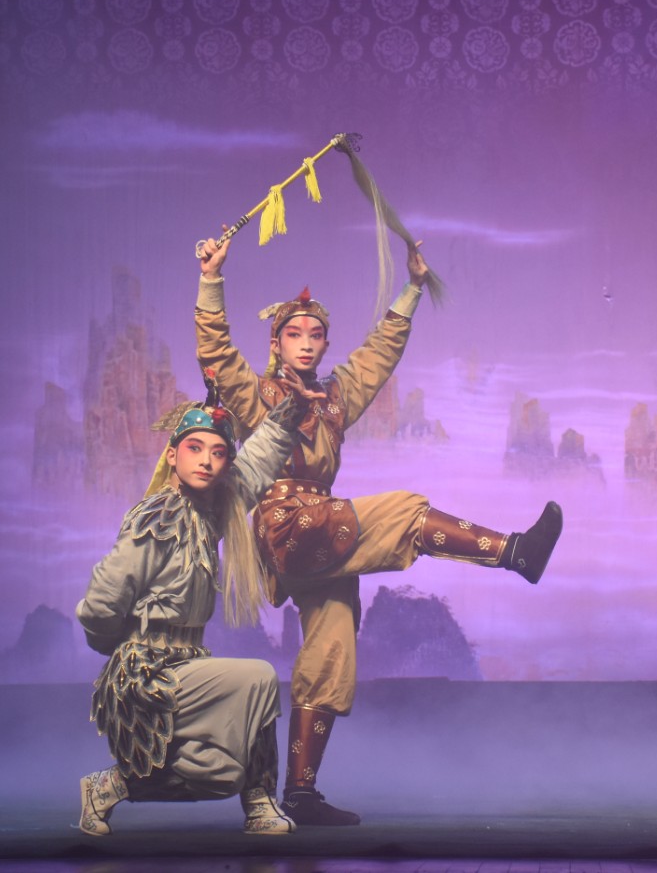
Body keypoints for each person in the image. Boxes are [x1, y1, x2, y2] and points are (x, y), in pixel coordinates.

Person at [194, 234, 562, 826]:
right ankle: (514, 552)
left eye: (316, 335)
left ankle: (300, 794)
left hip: (323, 534)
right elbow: (215, 352)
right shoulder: (258, 395)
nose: (306, 343)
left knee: (332, 648)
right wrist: (212, 278)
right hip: (289, 522)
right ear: (276, 342)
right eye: (294, 334)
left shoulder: (334, 398)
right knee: (406, 513)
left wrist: (413, 288)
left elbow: (377, 355)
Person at [75, 371, 323, 836]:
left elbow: (258, 461)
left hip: (186, 662)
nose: (207, 461)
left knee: (220, 776)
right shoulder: (159, 517)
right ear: (172, 454)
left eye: (218, 452)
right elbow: (100, 604)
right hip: (147, 670)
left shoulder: (211, 511)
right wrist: (121, 649)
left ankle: (109, 786)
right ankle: (260, 802)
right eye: (195, 448)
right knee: (260, 677)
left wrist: (293, 408)